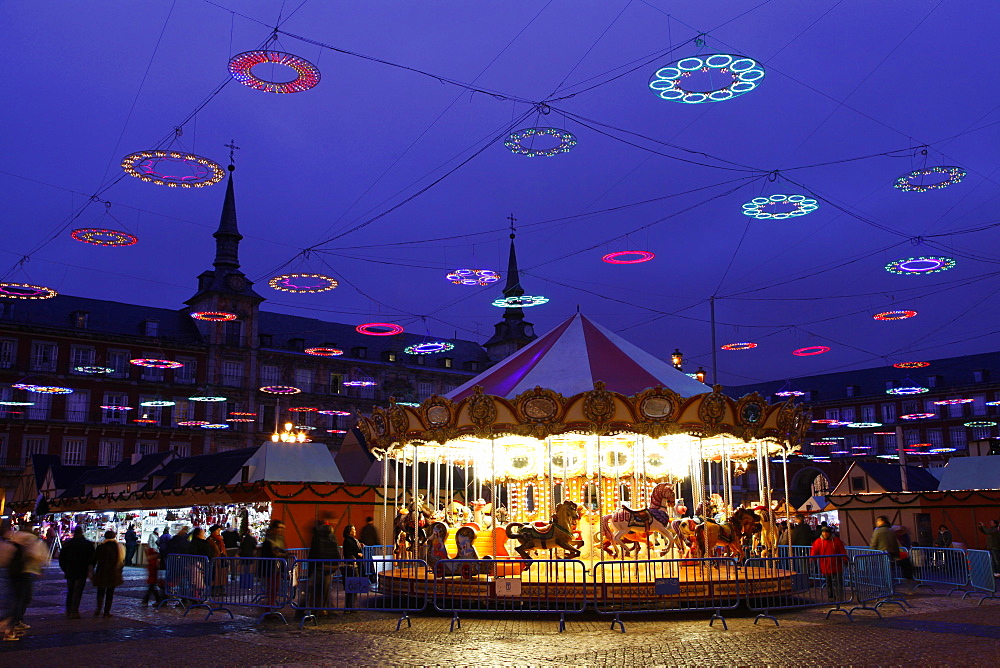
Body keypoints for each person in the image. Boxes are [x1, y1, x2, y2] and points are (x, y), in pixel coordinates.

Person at [0, 528, 48, 641]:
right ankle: (9, 627)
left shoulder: (14, 547)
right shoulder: (22, 547)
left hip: (16, 575)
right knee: (20, 601)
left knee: (20, 599)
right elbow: (36, 556)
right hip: (22, 576)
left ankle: (13, 623)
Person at [58, 526, 95, 619]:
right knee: (78, 591)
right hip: (81, 570)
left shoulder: (68, 544)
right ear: (82, 532)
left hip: (70, 570)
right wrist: (90, 569)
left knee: (70, 591)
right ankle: (74, 611)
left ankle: (69, 610)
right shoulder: (87, 544)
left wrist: (65, 569)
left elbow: (61, 558)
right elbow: (92, 559)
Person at [306, 523, 341, 615]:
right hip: (328, 567)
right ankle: (322, 609)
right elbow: (336, 553)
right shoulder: (333, 540)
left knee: (315, 589)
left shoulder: (318, 539)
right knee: (325, 589)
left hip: (318, 566)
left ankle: (313, 608)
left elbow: (313, 553)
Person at [91, 530, 124, 618]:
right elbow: (121, 562)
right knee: (110, 593)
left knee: (100, 592)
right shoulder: (119, 547)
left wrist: (92, 571)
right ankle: (106, 612)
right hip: (113, 573)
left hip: (101, 572)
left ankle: (98, 609)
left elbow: (94, 560)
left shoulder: (101, 547)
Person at [810, 525, 848, 601]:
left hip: (836, 565)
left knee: (838, 583)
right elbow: (814, 552)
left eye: (826, 532)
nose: (825, 534)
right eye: (823, 532)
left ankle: (839, 597)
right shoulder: (818, 542)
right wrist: (812, 560)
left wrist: (845, 559)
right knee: (829, 583)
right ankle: (831, 597)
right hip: (826, 566)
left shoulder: (836, 541)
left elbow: (842, 550)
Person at [259, 520, 287, 610]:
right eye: (280, 528)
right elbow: (270, 552)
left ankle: (271, 605)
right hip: (270, 567)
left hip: (277, 566)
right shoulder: (269, 540)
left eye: (283, 528)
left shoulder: (280, 539)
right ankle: (269, 606)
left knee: (276, 588)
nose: (281, 530)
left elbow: (281, 551)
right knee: (271, 587)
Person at [341, 524, 363, 611]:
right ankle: (349, 606)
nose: (355, 531)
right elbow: (349, 551)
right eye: (353, 530)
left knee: (354, 586)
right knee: (352, 586)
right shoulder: (348, 540)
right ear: (349, 531)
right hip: (351, 565)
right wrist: (357, 553)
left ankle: (351, 605)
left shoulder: (354, 540)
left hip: (355, 564)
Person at [207, 525, 228, 596]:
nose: (219, 532)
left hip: (221, 559)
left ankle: (221, 589)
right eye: (217, 530)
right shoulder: (211, 539)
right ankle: (214, 590)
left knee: (221, 574)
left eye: (219, 530)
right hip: (215, 559)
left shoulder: (220, 539)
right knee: (215, 575)